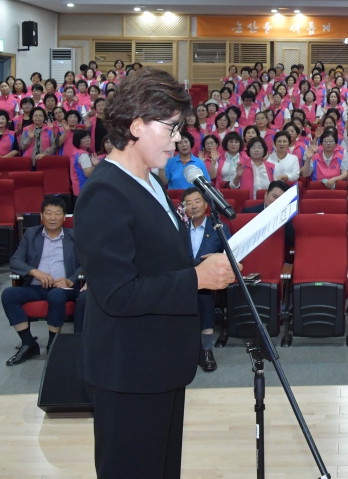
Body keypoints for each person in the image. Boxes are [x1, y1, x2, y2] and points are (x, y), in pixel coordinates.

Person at [75, 68, 238, 479]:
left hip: (159, 363)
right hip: (128, 370)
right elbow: (117, 293)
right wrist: (197, 278)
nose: (178, 139)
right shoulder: (106, 192)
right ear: (135, 126)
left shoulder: (150, 181)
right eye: (170, 128)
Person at [1, 197, 82, 365]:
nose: (53, 218)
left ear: (64, 217)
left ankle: (53, 344)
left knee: (56, 296)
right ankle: (28, 343)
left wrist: (70, 280)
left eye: (57, 213)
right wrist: (34, 272)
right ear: (41, 215)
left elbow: (87, 264)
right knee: (9, 294)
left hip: (64, 289)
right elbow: (15, 261)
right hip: (36, 287)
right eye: (49, 213)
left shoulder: (74, 237)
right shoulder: (31, 234)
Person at [181, 187, 231, 373]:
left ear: (206, 204)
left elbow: (230, 252)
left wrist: (216, 258)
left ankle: (207, 349)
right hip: (184, 275)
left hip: (207, 278)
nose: (193, 206)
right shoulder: (179, 226)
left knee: (204, 294)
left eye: (197, 201)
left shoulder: (217, 225)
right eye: (188, 203)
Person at [241, 180, 295, 249]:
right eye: (274, 196)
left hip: (276, 255)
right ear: (266, 195)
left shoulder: (286, 216)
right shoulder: (248, 212)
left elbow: (291, 242)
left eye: (281, 199)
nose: (276, 202)